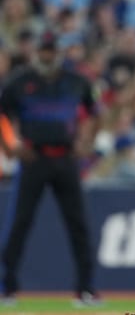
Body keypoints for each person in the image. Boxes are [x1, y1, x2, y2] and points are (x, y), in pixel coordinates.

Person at [0, 33, 101, 306]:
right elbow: (2, 113)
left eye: (51, 51)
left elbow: (94, 112)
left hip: (66, 158)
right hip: (34, 158)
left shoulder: (75, 81)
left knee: (77, 225)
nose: (47, 56)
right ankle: (7, 288)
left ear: (58, 52)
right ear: (36, 52)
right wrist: (10, 147)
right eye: (43, 51)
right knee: (20, 223)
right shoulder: (21, 81)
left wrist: (87, 142)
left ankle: (85, 289)